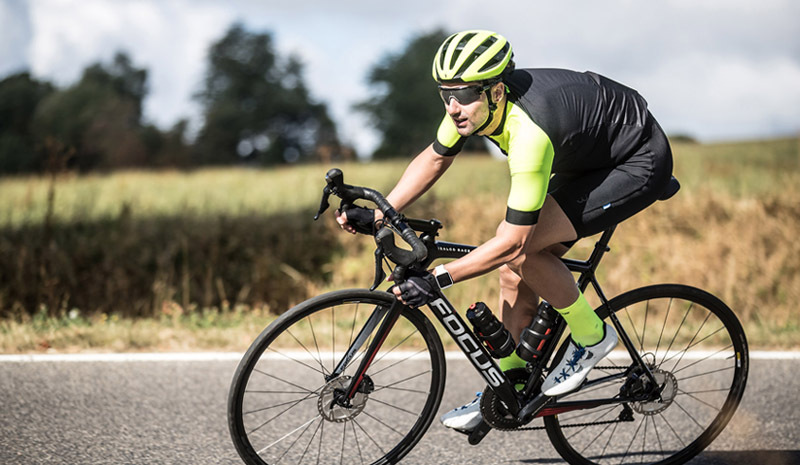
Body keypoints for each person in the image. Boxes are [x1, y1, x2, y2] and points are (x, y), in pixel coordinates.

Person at [335, 30, 673, 432]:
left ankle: (591, 337)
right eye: (445, 94)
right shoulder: (470, 107)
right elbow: (435, 158)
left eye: (464, 95)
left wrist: (438, 279)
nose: (453, 107)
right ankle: (508, 387)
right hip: (586, 155)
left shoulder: (528, 133)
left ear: (496, 91)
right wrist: (380, 215)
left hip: (636, 159)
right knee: (512, 270)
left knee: (519, 250)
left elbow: (513, 242)